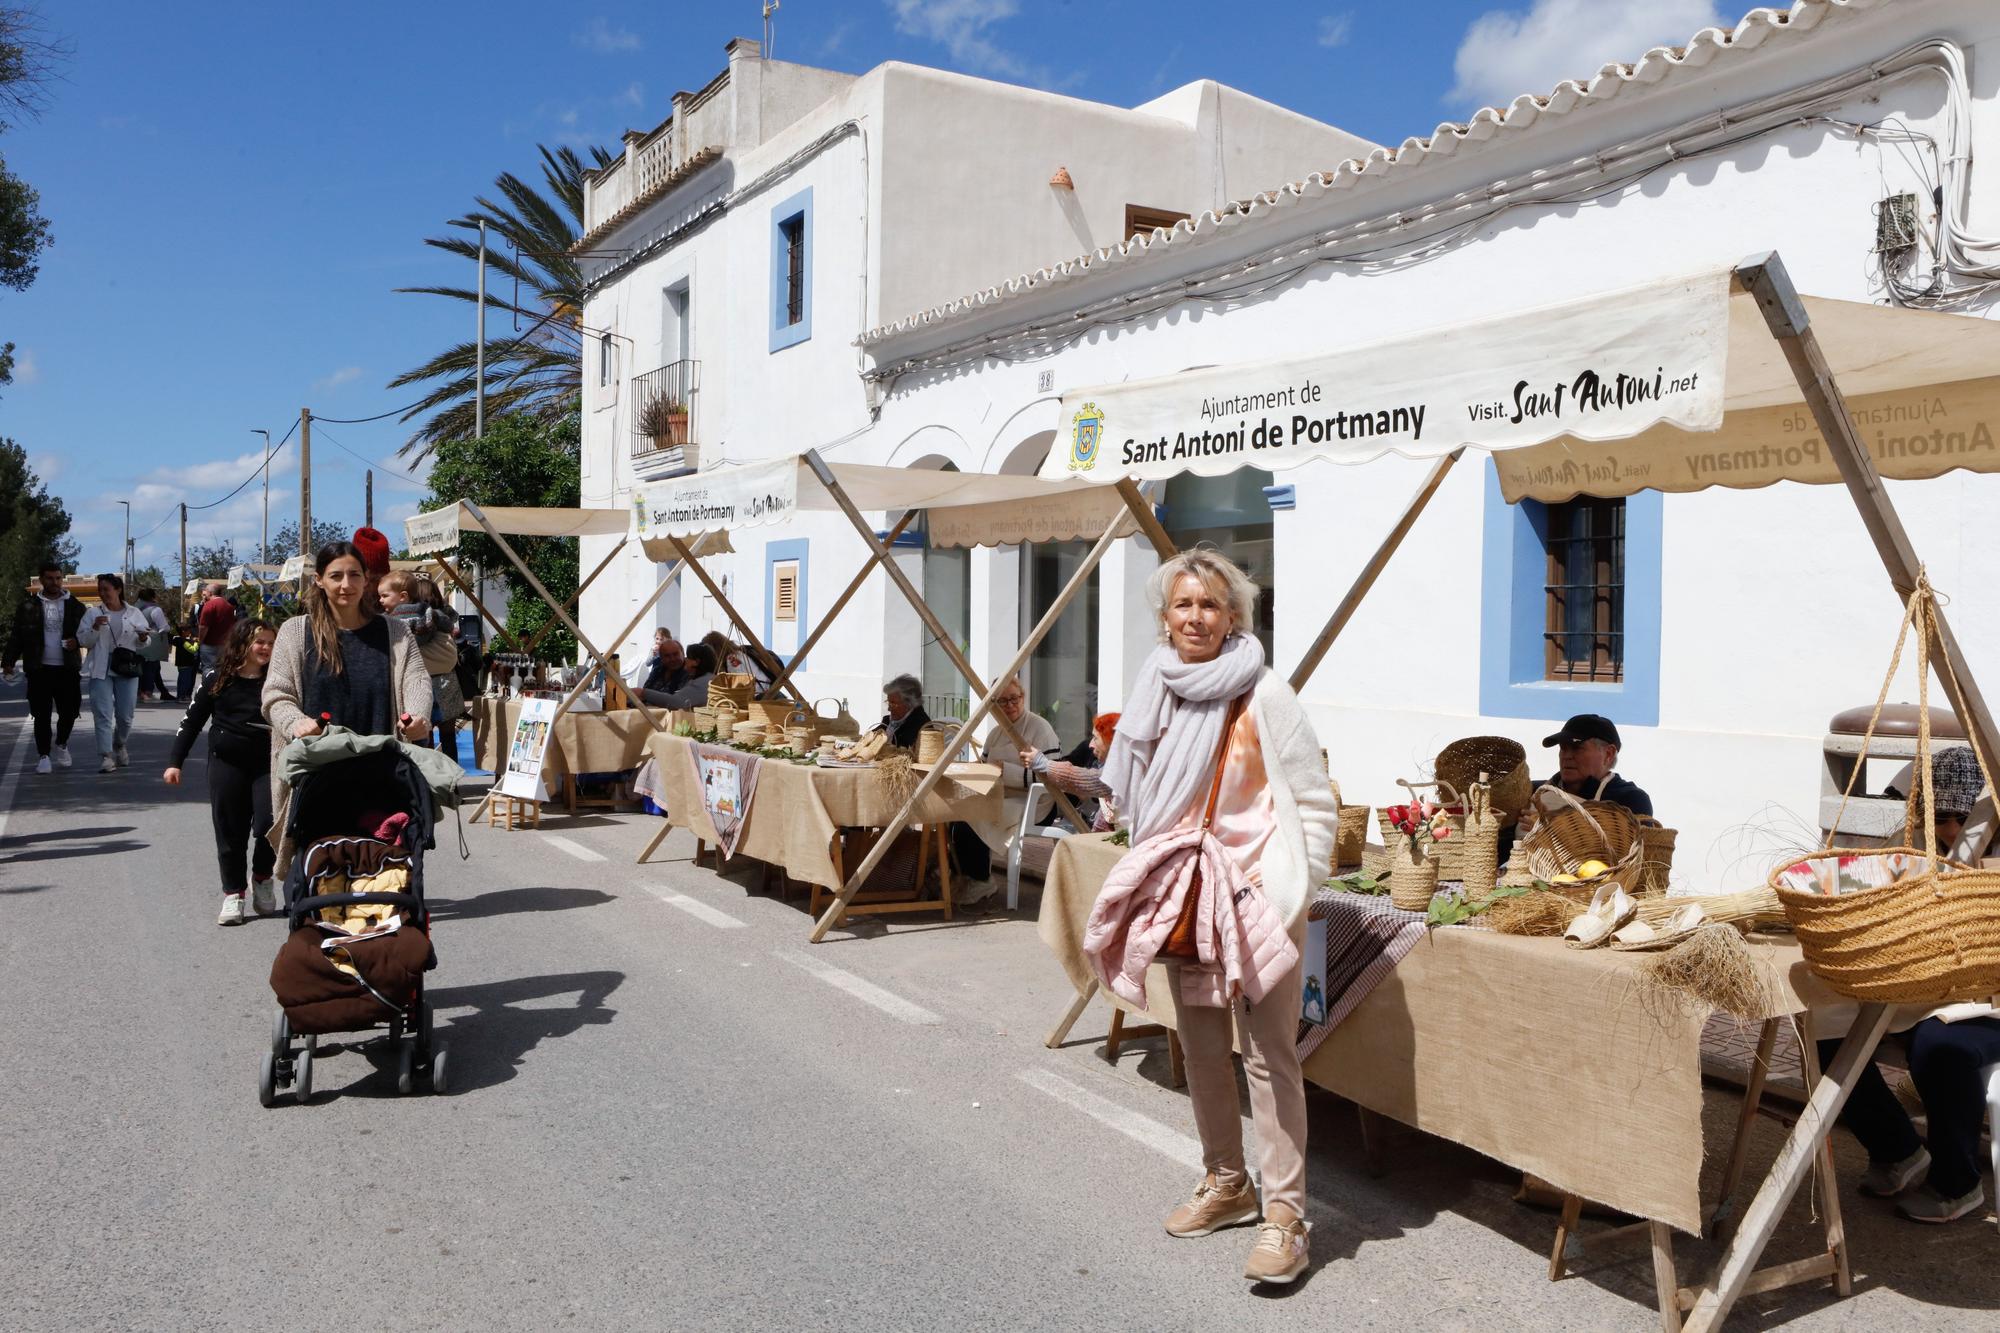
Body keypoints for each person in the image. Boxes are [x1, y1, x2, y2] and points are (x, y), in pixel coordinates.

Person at [1085, 549, 1336, 1284]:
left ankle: (1286, 1217)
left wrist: (1294, 887)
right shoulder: (1152, 689)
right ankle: (1227, 1182)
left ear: (1235, 617)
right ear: (1165, 615)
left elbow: (1314, 800)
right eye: (1183, 604)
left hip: (1255, 897)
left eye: (1210, 605)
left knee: (1269, 1056)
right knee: (1197, 1049)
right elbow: (1132, 791)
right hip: (1181, 896)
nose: (1196, 617)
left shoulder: (1266, 694)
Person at [1818, 744, 2000, 1224]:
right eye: (1943, 818)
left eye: (1965, 818)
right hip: (1927, 986)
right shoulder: (1912, 846)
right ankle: (1897, 1150)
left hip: (1989, 1000)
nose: (1954, 831)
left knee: (1943, 1048)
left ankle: (1957, 1183)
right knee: (1824, 1030)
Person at [262, 542, 433, 876]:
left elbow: (416, 680)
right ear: (319, 581)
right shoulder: (296, 632)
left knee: (381, 874)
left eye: (354, 575)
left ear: (366, 579)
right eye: (336, 576)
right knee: (323, 877)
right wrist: (295, 722)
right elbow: (276, 695)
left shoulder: (394, 631)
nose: (346, 584)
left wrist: (417, 717)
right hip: (318, 779)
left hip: (381, 775)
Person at [166, 618, 277, 925]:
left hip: (268, 764)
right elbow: (191, 722)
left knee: (269, 824)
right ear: (242, 643)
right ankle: (234, 894)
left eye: (270, 642)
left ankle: (263, 878)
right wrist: (176, 762)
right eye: (260, 641)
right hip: (226, 763)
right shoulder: (218, 678)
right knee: (230, 829)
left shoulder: (278, 680)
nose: (266, 648)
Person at [950, 675, 1060, 905]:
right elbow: (986, 769)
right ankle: (969, 876)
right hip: (1001, 796)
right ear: (993, 705)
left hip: (1035, 802)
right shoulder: (995, 734)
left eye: (1014, 698)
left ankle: (981, 881)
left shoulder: (1041, 728)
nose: (1010, 705)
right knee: (956, 813)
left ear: (1023, 697)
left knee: (973, 816)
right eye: (1002, 701)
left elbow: (1050, 776)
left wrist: (1005, 771)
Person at [3, 561, 85, 775]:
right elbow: (16, 636)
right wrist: (8, 661)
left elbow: (86, 634)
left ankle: (62, 743)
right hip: (39, 668)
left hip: (67, 668)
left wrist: (77, 642)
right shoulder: (28, 607)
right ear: (41, 580)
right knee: (41, 714)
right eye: (50, 578)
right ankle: (44, 755)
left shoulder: (75, 605)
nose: (55, 582)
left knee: (70, 711)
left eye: (58, 578)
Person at [79, 573, 153, 774]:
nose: (103, 594)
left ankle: (119, 744)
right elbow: (84, 641)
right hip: (101, 667)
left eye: (106, 589)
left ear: (118, 589)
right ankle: (106, 756)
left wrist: (143, 637)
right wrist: (95, 628)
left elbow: (144, 642)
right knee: (102, 713)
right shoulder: (93, 614)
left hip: (126, 666)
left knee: (125, 715)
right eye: (100, 590)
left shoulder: (134, 612)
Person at [1537, 713, 1652, 814]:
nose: (1566, 756)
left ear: (1608, 754)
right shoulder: (1534, 792)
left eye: (1577, 748)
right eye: (1563, 748)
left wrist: (1546, 831)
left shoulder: (1630, 801)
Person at [1028, 710, 1122, 829]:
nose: (1091, 745)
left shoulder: (1123, 770)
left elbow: (1096, 780)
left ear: (1112, 743)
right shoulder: (1095, 754)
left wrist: (1044, 764)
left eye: (1095, 738)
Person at [638, 642, 716, 710]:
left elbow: (676, 702)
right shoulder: (657, 670)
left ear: (696, 662)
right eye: (667, 656)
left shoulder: (703, 681)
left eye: (688, 657)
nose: (672, 659)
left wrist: (643, 693)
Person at [133, 586, 171, 702]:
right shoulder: (155, 609)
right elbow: (164, 627)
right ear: (152, 597)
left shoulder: (133, 608)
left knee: (140, 668)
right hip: (151, 643)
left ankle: (140, 693)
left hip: (136, 643)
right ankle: (147, 694)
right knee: (151, 668)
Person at [877, 673, 931, 749]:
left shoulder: (921, 726)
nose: (889, 709)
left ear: (909, 703)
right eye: (888, 702)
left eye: (893, 703)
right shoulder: (889, 721)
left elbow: (903, 751)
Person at [196, 582, 236, 672]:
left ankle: (208, 686)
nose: (204, 595)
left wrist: (200, 641)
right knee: (221, 669)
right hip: (224, 644)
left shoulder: (209, 605)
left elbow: (203, 627)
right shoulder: (229, 606)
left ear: (210, 593)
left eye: (205, 592)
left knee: (208, 669)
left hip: (210, 644)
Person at [635, 629, 688, 695]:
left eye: (675, 654)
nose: (672, 659)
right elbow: (644, 692)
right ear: (662, 658)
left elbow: (678, 699)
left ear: (683, 653)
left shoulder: (688, 673)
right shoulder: (656, 671)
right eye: (667, 656)